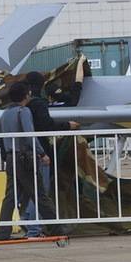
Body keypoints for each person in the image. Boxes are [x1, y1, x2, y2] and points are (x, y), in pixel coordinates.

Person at [0, 82, 71, 241]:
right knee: (40, 194)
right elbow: (30, 135)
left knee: (10, 197)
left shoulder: (5, 114)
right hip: (25, 158)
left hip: (11, 157)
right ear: (27, 94)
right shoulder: (23, 111)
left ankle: (3, 232)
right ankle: (57, 227)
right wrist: (42, 153)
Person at [19, 72, 80, 237]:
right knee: (40, 191)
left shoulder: (16, 109)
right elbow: (46, 126)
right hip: (38, 154)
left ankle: (25, 220)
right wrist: (67, 125)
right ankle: (33, 228)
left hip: (19, 155)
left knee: (25, 192)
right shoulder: (38, 105)